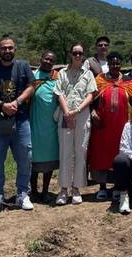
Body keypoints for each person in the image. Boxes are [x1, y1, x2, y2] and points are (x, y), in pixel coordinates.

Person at [0, 35, 36, 212]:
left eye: (10, 47)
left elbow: (31, 86)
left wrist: (18, 102)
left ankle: (22, 193)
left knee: (25, 158)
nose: (7, 50)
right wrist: (1, 105)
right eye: (4, 48)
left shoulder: (23, 66)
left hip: (21, 121)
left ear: (15, 49)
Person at [89, 52, 132, 200]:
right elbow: (90, 98)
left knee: (120, 155)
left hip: (122, 126)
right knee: (101, 155)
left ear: (121, 65)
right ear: (108, 64)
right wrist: (92, 111)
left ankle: (119, 186)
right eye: (112, 63)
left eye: (117, 63)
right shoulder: (99, 80)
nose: (115, 66)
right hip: (102, 126)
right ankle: (102, 187)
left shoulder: (128, 81)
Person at [55, 43, 97, 206]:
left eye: (80, 53)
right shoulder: (62, 74)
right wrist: (67, 112)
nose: (78, 56)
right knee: (65, 152)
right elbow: (59, 93)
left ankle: (76, 189)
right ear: (70, 55)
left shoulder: (88, 74)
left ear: (84, 55)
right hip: (66, 115)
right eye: (75, 53)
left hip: (82, 115)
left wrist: (77, 111)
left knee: (81, 151)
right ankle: (64, 189)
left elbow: (90, 95)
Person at [30, 51, 60, 204]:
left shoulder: (57, 78)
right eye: (46, 58)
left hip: (52, 125)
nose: (48, 61)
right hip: (34, 123)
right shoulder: (33, 76)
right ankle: (33, 191)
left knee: (50, 158)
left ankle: (45, 191)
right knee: (33, 159)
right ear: (41, 59)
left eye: (51, 60)